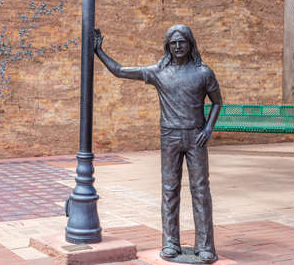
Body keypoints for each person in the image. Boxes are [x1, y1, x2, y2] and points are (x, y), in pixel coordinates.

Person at [94, 24, 222, 264]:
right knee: (169, 190)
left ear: (190, 43)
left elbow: (217, 102)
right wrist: (99, 51)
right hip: (170, 136)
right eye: (173, 43)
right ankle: (170, 243)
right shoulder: (158, 72)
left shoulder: (204, 72)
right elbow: (120, 70)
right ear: (167, 46)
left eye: (181, 42)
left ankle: (205, 246)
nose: (177, 47)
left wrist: (208, 128)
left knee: (201, 191)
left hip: (196, 136)